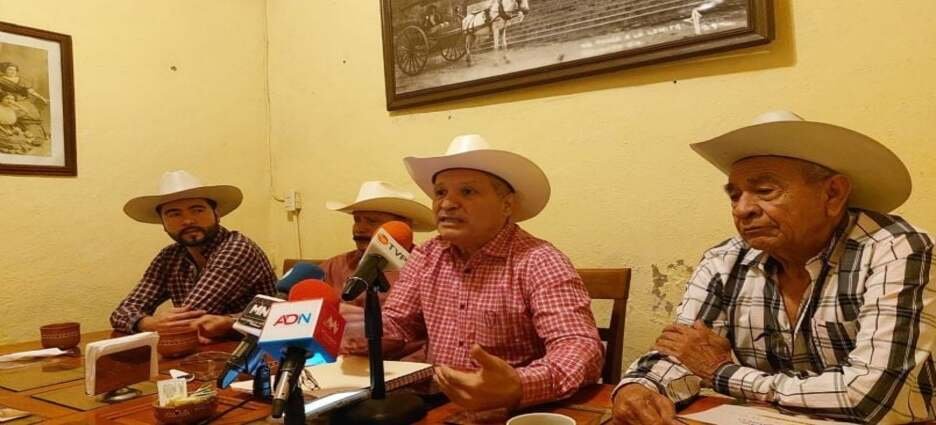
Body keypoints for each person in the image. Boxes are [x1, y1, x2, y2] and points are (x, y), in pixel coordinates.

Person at [612, 111, 936, 424]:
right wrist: (640, 387)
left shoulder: (898, 250)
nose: (742, 209)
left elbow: (870, 397)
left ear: (833, 194)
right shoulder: (724, 260)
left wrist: (723, 373)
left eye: (765, 191)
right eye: (734, 195)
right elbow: (683, 351)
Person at [350, 135, 604, 411]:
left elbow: (580, 347)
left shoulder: (538, 261)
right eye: (440, 192)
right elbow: (399, 324)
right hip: (438, 403)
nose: (447, 204)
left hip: (514, 409)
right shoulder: (427, 255)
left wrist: (519, 385)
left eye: (467, 191)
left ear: (507, 205)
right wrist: (356, 329)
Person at [110, 170, 277, 343]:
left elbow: (187, 322)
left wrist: (155, 324)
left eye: (197, 210)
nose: (188, 220)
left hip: (259, 348)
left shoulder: (236, 248)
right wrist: (148, 323)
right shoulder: (169, 256)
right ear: (163, 224)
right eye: (174, 214)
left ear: (217, 215)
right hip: (204, 348)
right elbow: (121, 313)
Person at [320, 180, 435, 299]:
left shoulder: (427, 268)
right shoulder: (334, 267)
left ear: (403, 226)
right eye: (357, 220)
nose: (360, 229)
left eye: (372, 221)